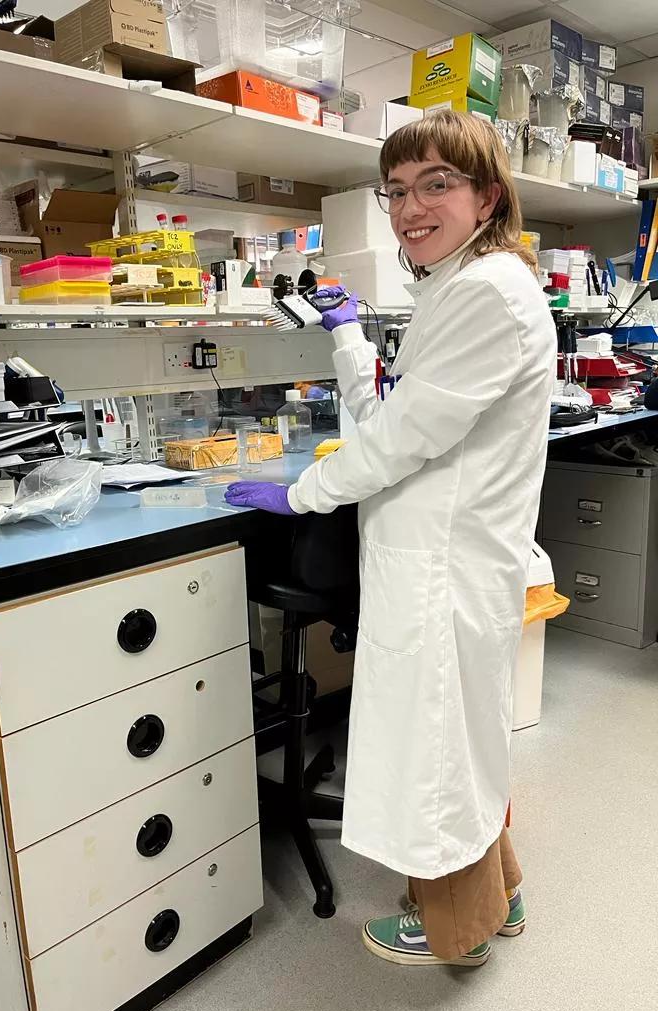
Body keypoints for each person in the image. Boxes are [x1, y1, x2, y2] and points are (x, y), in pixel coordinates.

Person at [225, 110, 556, 967]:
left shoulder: (484, 294)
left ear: (487, 196)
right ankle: (501, 894)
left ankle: (457, 930)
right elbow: (391, 417)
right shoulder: (456, 285)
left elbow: (396, 444)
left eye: (436, 184)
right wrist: (344, 335)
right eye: (398, 190)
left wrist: (302, 492)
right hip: (440, 559)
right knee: (461, 742)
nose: (411, 207)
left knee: (438, 750)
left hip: (445, 567)